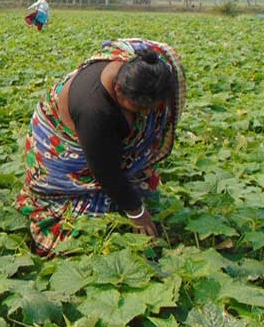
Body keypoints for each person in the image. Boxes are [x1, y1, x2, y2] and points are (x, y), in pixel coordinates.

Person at [15, 38, 186, 256]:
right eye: (138, 108)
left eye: (149, 108)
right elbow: (106, 172)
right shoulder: (94, 111)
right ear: (118, 89)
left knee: (130, 196)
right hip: (60, 146)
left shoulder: (138, 67)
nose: (145, 114)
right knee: (92, 230)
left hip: (99, 137)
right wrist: (136, 212)